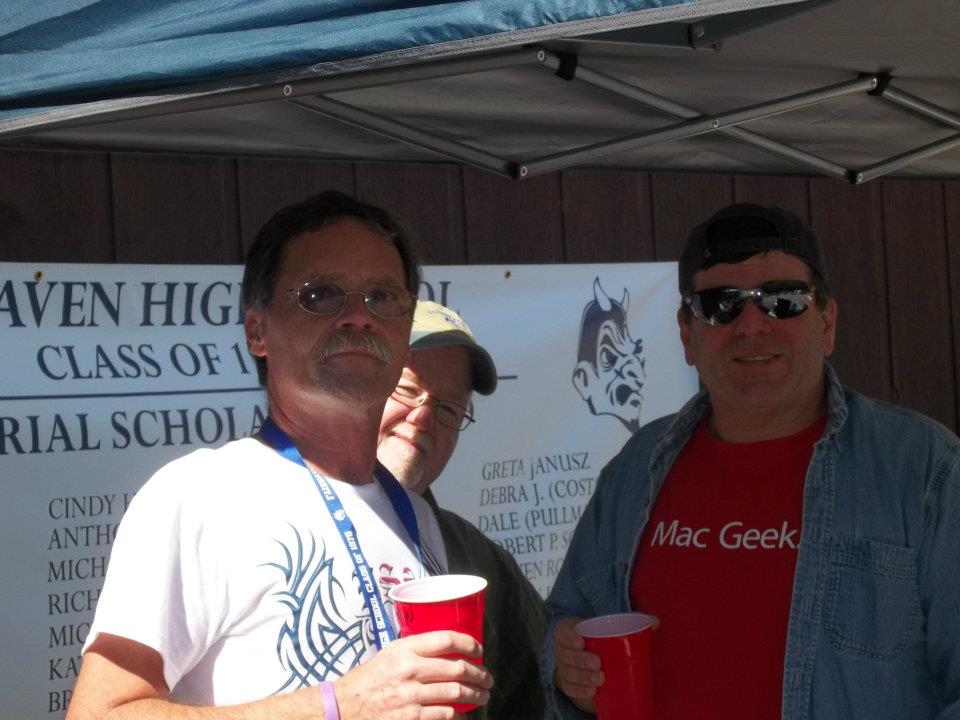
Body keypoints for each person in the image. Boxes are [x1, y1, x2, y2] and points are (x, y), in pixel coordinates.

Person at [67, 191, 493, 720]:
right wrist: (339, 705)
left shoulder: (415, 518)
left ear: (405, 332)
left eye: (382, 296)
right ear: (257, 332)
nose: (358, 316)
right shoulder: (199, 495)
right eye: (320, 295)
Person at [544, 203, 960, 720]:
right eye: (721, 304)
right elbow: (566, 619)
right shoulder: (635, 467)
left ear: (827, 322)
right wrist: (566, 667)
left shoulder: (925, 470)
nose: (752, 325)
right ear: (686, 334)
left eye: (784, 300)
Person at [377, 300, 547, 720]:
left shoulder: (478, 561)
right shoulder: (265, 521)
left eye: (449, 408)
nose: (423, 417)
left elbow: (543, 689)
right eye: (407, 388)